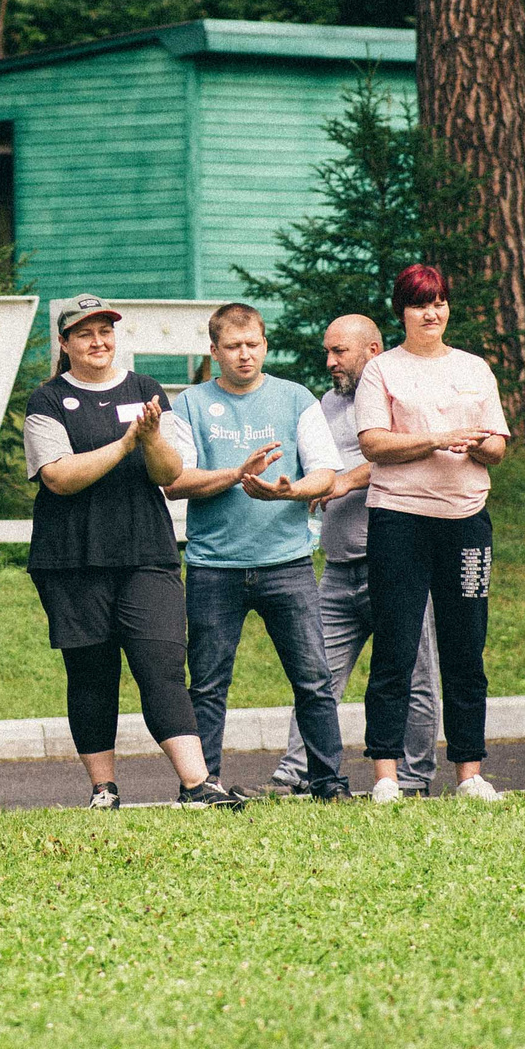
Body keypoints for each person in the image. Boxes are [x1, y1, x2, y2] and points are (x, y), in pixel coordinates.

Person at [25, 295, 243, 810]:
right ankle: (103, 789)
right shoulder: (47, 400)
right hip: (72, 559)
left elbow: (168, 475)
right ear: (64, 343)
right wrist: (125, 445)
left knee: (162, 664)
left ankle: (197, 786)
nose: (98, 342)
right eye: (85, 333)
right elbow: (58, 477)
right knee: (91, 672)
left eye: (105, 331)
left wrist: (149, 441)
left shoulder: (145, 390)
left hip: (146, 551)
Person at [163, 303, 347, 797]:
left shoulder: (295, 398)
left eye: (253, 345)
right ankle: (203, 787)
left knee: (313, 679)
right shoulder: (189, 404)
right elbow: (175, 481)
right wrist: (237, 475)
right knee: (206, 685)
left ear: (265, 345)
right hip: (213, 566)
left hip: (286, 563)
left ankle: (328, 781)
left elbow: (326, 473)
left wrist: (288, 492)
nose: (244, 355)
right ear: (214, 351)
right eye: (232, 346)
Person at [354, 264, 510, 802]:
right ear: (401, 311)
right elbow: (373, 443)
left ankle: (469, 773)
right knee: (395, 645)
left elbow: (498, 447)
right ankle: (386, 775)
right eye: (421, 304)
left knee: (467, 646)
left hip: (467, 521)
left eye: (440, 302)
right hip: (400, 519)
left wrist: (479, 444)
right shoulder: (383, 371)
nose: (432, 313)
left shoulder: (474, 368)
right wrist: (437, 438)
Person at [271, 315, 441, 797]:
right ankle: (297, 773)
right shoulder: (325, 404)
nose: (330, 362)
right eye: (327, 351)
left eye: (339, 352)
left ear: (372, 348)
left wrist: (346, 478)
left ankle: (411, 778)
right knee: (315, 674)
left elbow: (409, 450)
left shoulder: (400, 392)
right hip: (338, 568)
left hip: (398, 562)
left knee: (414, 674)